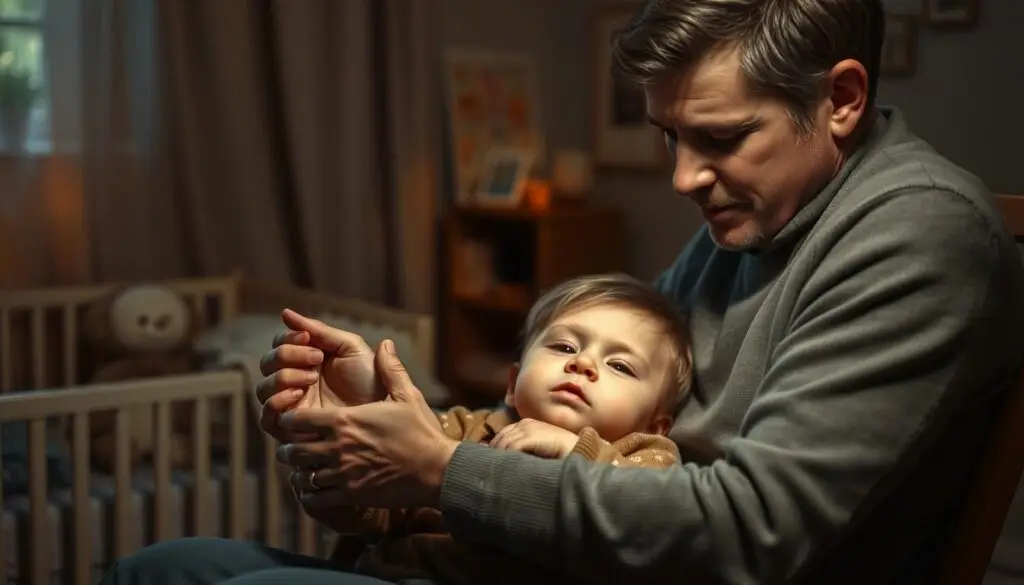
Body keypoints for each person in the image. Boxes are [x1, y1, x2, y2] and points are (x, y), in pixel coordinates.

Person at [99, 0, 1024, 584]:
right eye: (669, 138)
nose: (682, 179)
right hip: (557, 558)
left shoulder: (922, 236)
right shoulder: (759, 213)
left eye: (720, 137)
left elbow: (753, 533)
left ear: (844, 99)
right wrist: (362, 433)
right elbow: (555, 413)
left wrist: (441, 469)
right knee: (164, 563)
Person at [313, 274, 723, 584]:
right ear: (512, 383)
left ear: (658, 423)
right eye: (564, 346)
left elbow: (646, 518)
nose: (582, 364)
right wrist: (331, 483)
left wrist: (575, 449)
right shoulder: (460, 428)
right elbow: (379, 510)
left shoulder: (645, 454)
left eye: (620, 365)